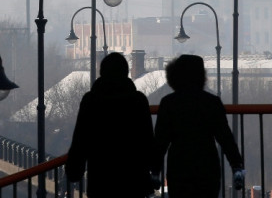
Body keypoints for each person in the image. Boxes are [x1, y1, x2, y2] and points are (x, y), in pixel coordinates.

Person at [67, 52, 157, 197]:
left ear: (102, 72)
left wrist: (74, 171)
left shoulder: (91, 101)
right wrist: (154, 169)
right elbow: (147, 140)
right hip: (133, 179)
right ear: (125, 72)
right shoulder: (138, 100)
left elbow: (81, 139)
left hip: (101, 179)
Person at [154, 54, 245, 197]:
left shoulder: (168, 103)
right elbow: (225, 138)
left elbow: (160, 141)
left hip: (178, 166)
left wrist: (155, 170)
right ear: (201, 76)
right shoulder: (212, 102)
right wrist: (236, 165)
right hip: (207, 166)